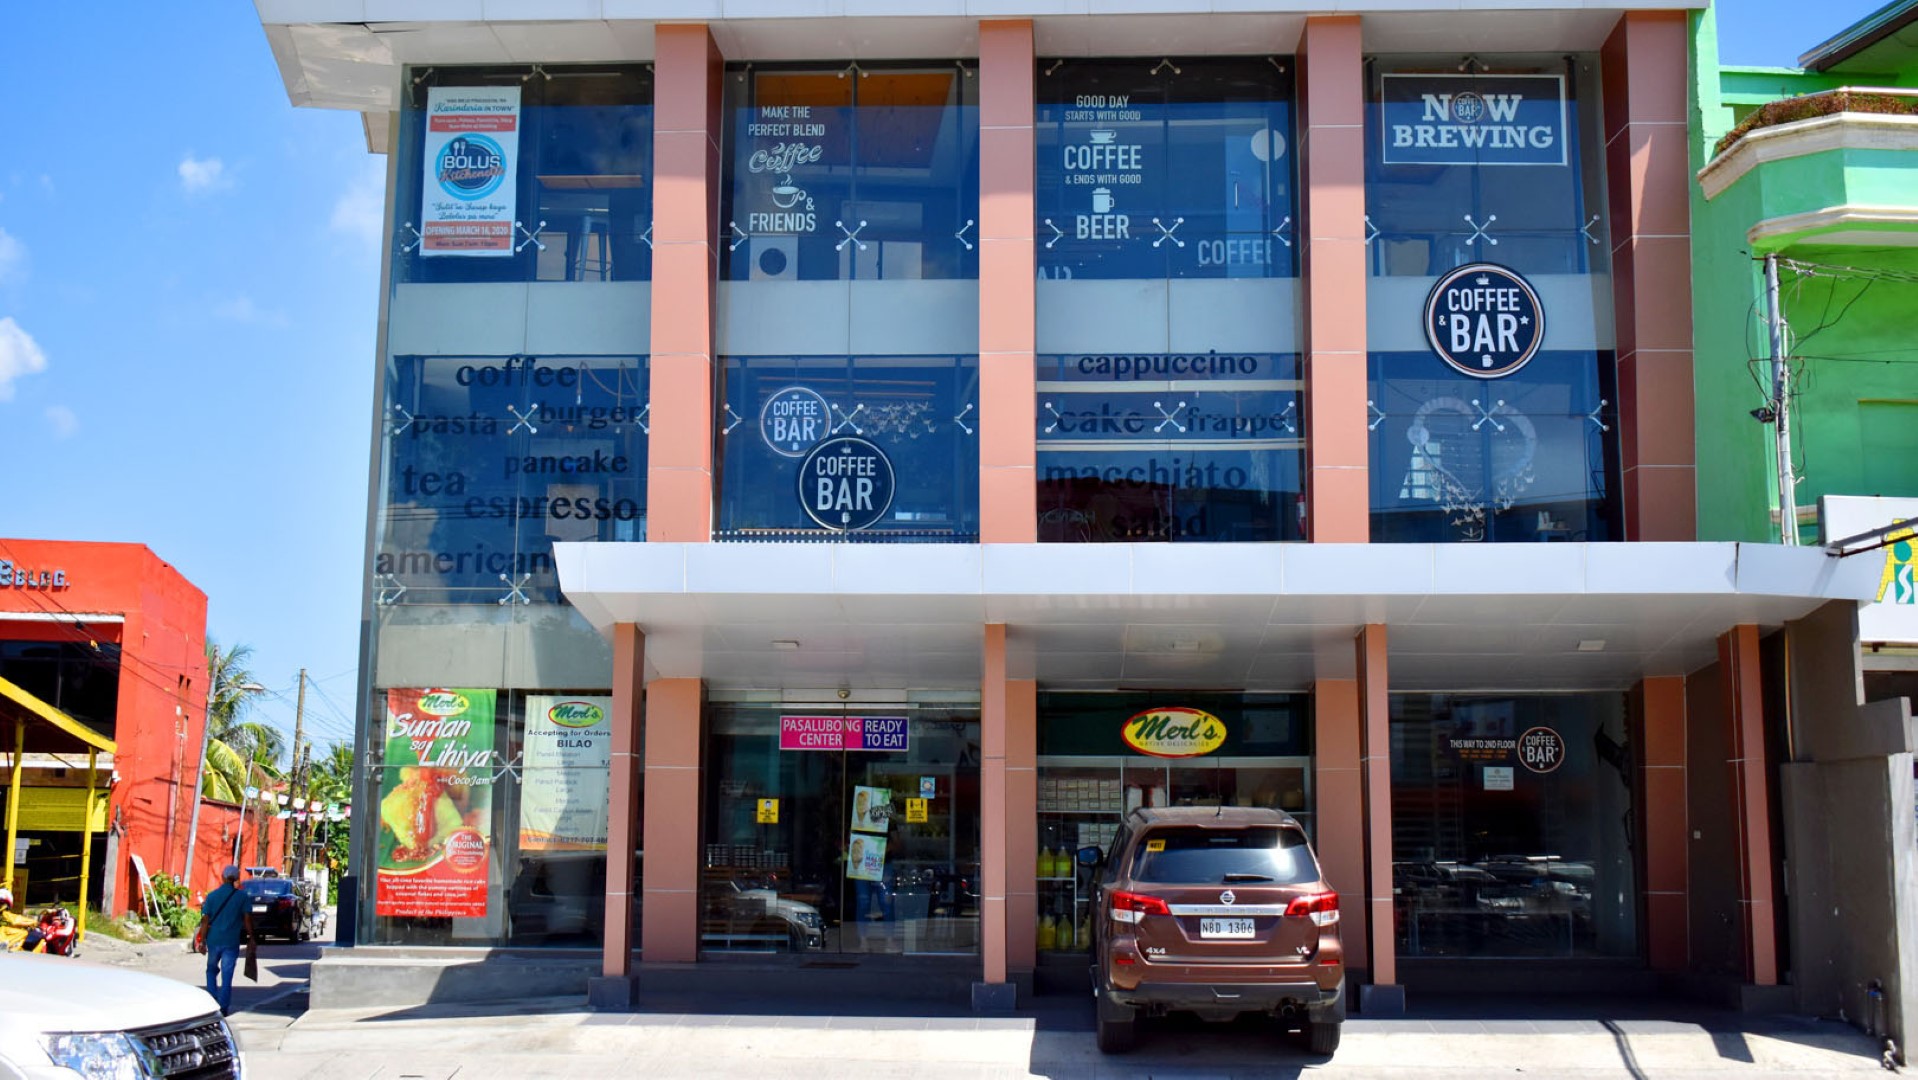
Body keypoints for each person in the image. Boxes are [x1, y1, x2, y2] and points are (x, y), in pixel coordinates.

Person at [197, 866, 254, 1015]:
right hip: (231, 941)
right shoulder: (242, 897)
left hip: (213, 940)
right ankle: (223, 1006)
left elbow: (205, 920)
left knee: (211, 970)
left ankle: (212, 999)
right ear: (236, 878)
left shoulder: (212, 896)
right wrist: (252, 937)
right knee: (227, 976)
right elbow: (247, 919)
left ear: (223, 877)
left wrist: (202, 941)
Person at [0, 886, 48, 952]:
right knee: (24, 933)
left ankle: (11, 947)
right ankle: (8, 946)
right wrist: (34, 923)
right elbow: (16, 921)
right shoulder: (5, 914)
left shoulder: (5, 914)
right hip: (3, 939)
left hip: (5, 937)